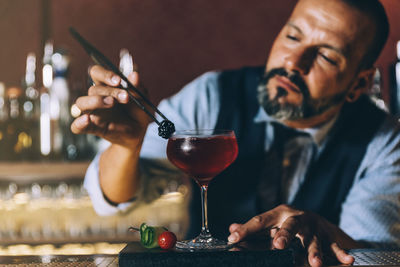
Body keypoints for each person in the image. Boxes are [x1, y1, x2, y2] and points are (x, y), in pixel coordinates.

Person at [71, 0, 400, 266]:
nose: (294, 62)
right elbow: (115, 201)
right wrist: (128, 147)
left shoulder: (383, 141)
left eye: (326, 55)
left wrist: (328, 233)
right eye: (292, 36)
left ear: (359, 83)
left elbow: (376, 254)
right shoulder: (213, 94)